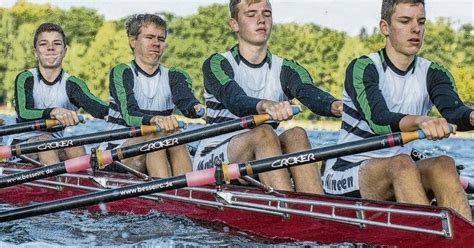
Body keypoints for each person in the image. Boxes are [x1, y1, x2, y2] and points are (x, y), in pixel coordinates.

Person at [322, 0, 474, 221]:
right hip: (347, 170)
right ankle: (428, 235)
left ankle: (463, 238)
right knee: (401, 164)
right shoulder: (363, 68)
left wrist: (470, 116)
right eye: (405, 21)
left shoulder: (433, 73)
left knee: (443, 164)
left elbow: (454, 111)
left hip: (403, 172)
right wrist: (422, 121)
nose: (416, 29)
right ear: (385, 27)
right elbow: (379, 120)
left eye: (421, 22)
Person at [193, 0, 343, 194]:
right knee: (264, 133)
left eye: (266, 14)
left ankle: (315, 205)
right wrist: (265, 105)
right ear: (234, 24)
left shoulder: (286, 69)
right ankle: (289, 208)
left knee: (297, 134)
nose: (261, 20)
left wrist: (335, 105)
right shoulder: (217, 63)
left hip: (258, 158)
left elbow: (310, 93)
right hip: (213, 159)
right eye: (251, 14)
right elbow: (235, 100)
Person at [105, 14, 203, 178]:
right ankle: (168, 194)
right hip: (117, 156)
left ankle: (186, 194)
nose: (156, 43)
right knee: (155, 134)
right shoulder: (122, 72)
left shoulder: (175, 75)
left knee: (175, 134)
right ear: (133, 41)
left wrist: (200, 110)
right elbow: (129, 114)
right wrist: (155, 119)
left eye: (161, 39)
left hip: (158, 146)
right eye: (149, 37)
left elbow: (186, 101)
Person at [13, 22, 109, 165]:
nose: (50, 48)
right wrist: (54, 112)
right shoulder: (25, 78)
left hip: (55, 145)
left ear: (64, 51)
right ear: (35, 52)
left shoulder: (72, 84)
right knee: (45, 141)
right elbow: (24, 113)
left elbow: (99, 109)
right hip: (21, 147)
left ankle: (81, 184)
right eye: (44, 44)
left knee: (76, 146)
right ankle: (56, 184)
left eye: (56, 44)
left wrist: (134, 116)